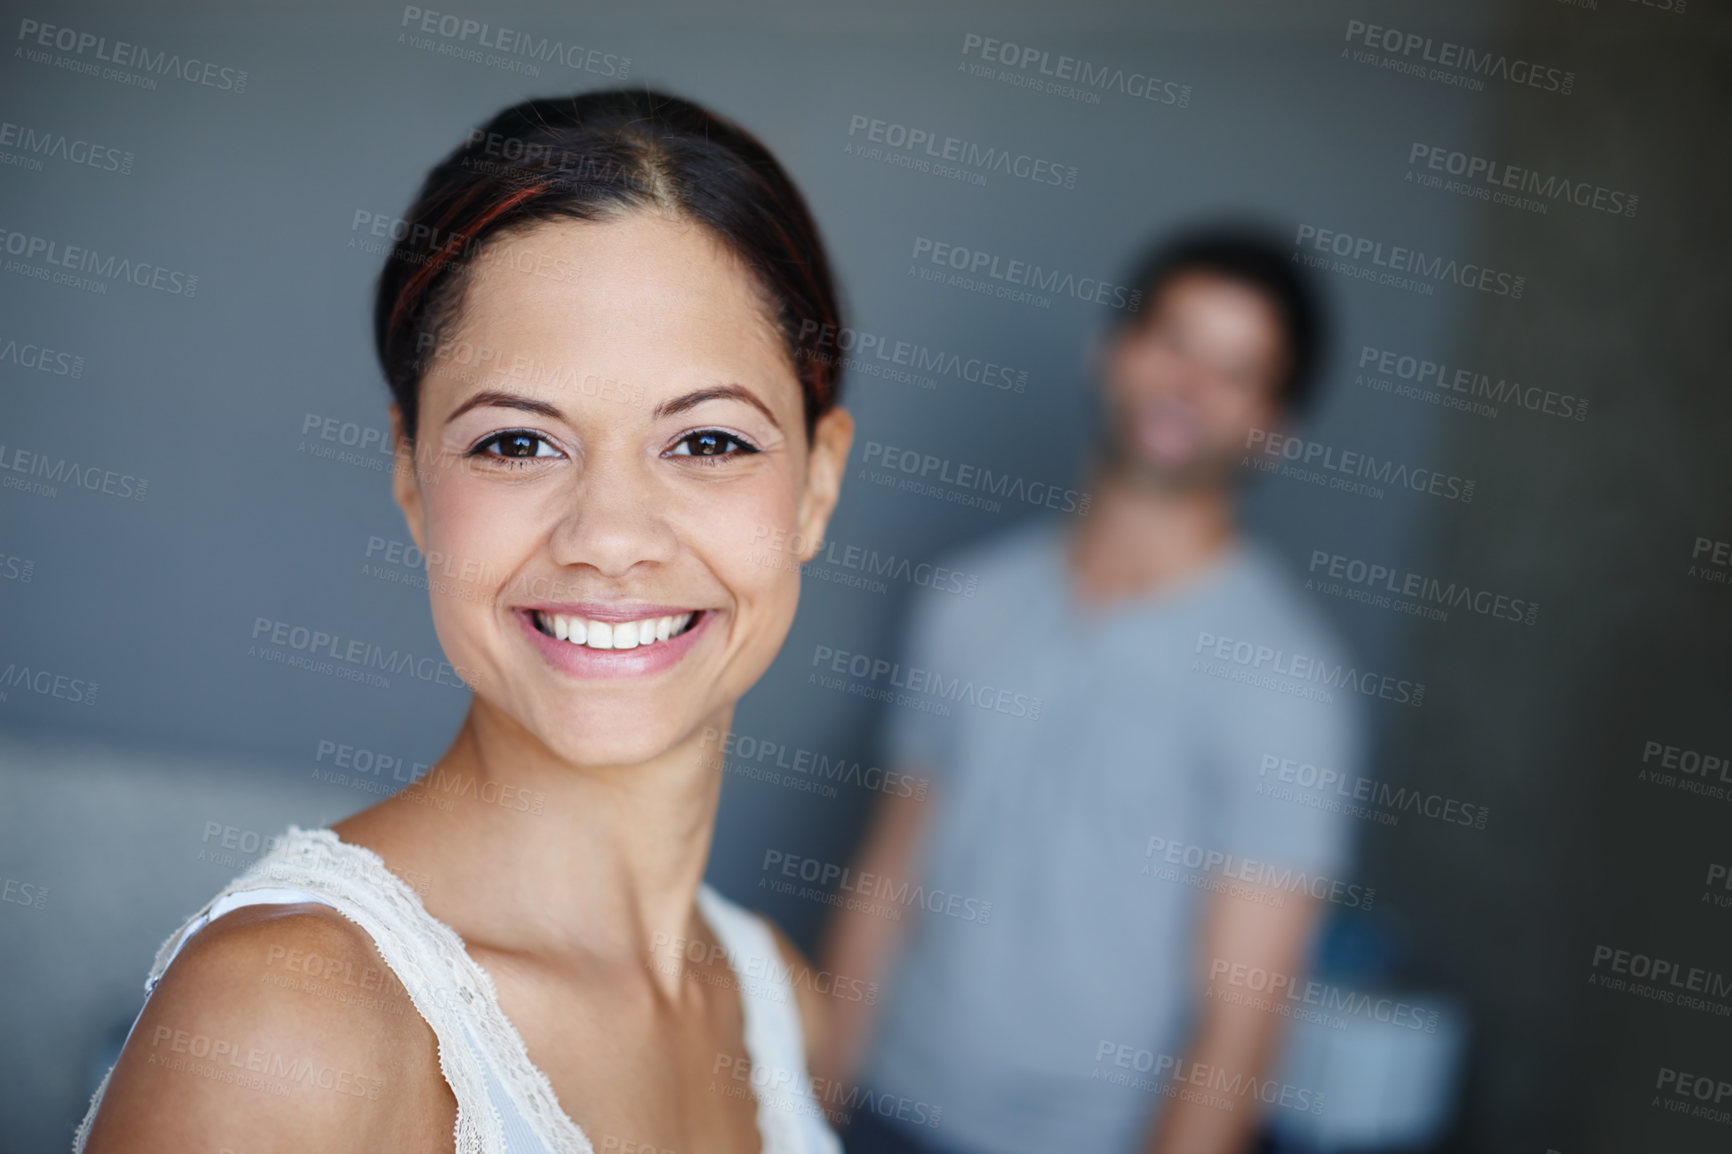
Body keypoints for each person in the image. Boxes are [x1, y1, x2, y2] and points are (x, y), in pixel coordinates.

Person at [75, 88, 856, 1154]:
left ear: (817, 483)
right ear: (410, 474)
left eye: (708, 441)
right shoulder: (285, 1024)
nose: (610, 536)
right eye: (518, 444)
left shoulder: (775, 1002)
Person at [815, 227, 1364, 1154]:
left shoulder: (1289, 683)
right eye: (1174, 340)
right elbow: (888, 877)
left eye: (1235, 369)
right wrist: (810, 1105)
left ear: (1273, 426)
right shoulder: (968, 601)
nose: (1188, 385)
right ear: (1112, 351)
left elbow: (1243, 1024)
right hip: (885, 1110)